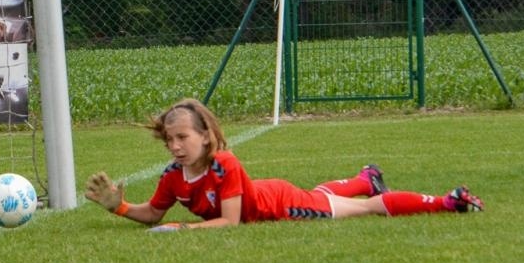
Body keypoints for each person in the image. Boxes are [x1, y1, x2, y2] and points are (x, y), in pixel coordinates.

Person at [83, 98, 483, 230]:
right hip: (281, 191)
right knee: (325, 194)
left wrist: (180, 229)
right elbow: (153, 213)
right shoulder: (173, 175)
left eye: (183, 138)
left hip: (283, 206)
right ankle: (366, 176)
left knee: (363, 208)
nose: (175, 146)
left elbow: (231, 223)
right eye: (170, 139)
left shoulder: (225, 165)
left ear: (205, 135)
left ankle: (447, 201)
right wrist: (118, 206)